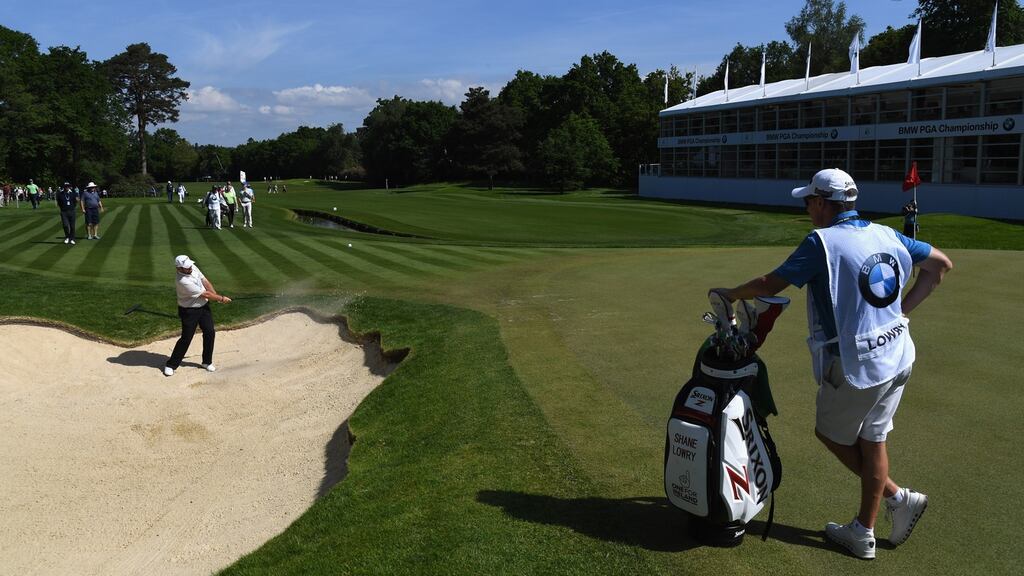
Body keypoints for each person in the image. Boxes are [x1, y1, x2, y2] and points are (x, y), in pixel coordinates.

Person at [709, 168, 953, 560]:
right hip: (897, 353)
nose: (807, 208)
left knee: (831, 435)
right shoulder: (887, 233)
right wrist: (901, 314)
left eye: (809, 201)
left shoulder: (820, 242)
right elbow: (940, 265)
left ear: (822, 203)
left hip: (857, 366)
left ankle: (894, 498)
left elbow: (770, 284)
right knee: (873, 438)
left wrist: (730, 293)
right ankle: (866, 529)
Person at [164, 255, 231, 376]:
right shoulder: (182, 281)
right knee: (186, 338)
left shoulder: (192, 267)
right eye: (186, 267)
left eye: (189, 265)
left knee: (210, 332)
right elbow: (205, 294)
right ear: (179, 268)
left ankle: (207, 362)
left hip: (204, 308)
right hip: (189, 311)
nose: (189, 268)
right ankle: (171, 364)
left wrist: (216, 296)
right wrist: (221, 298)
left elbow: (205, 281)